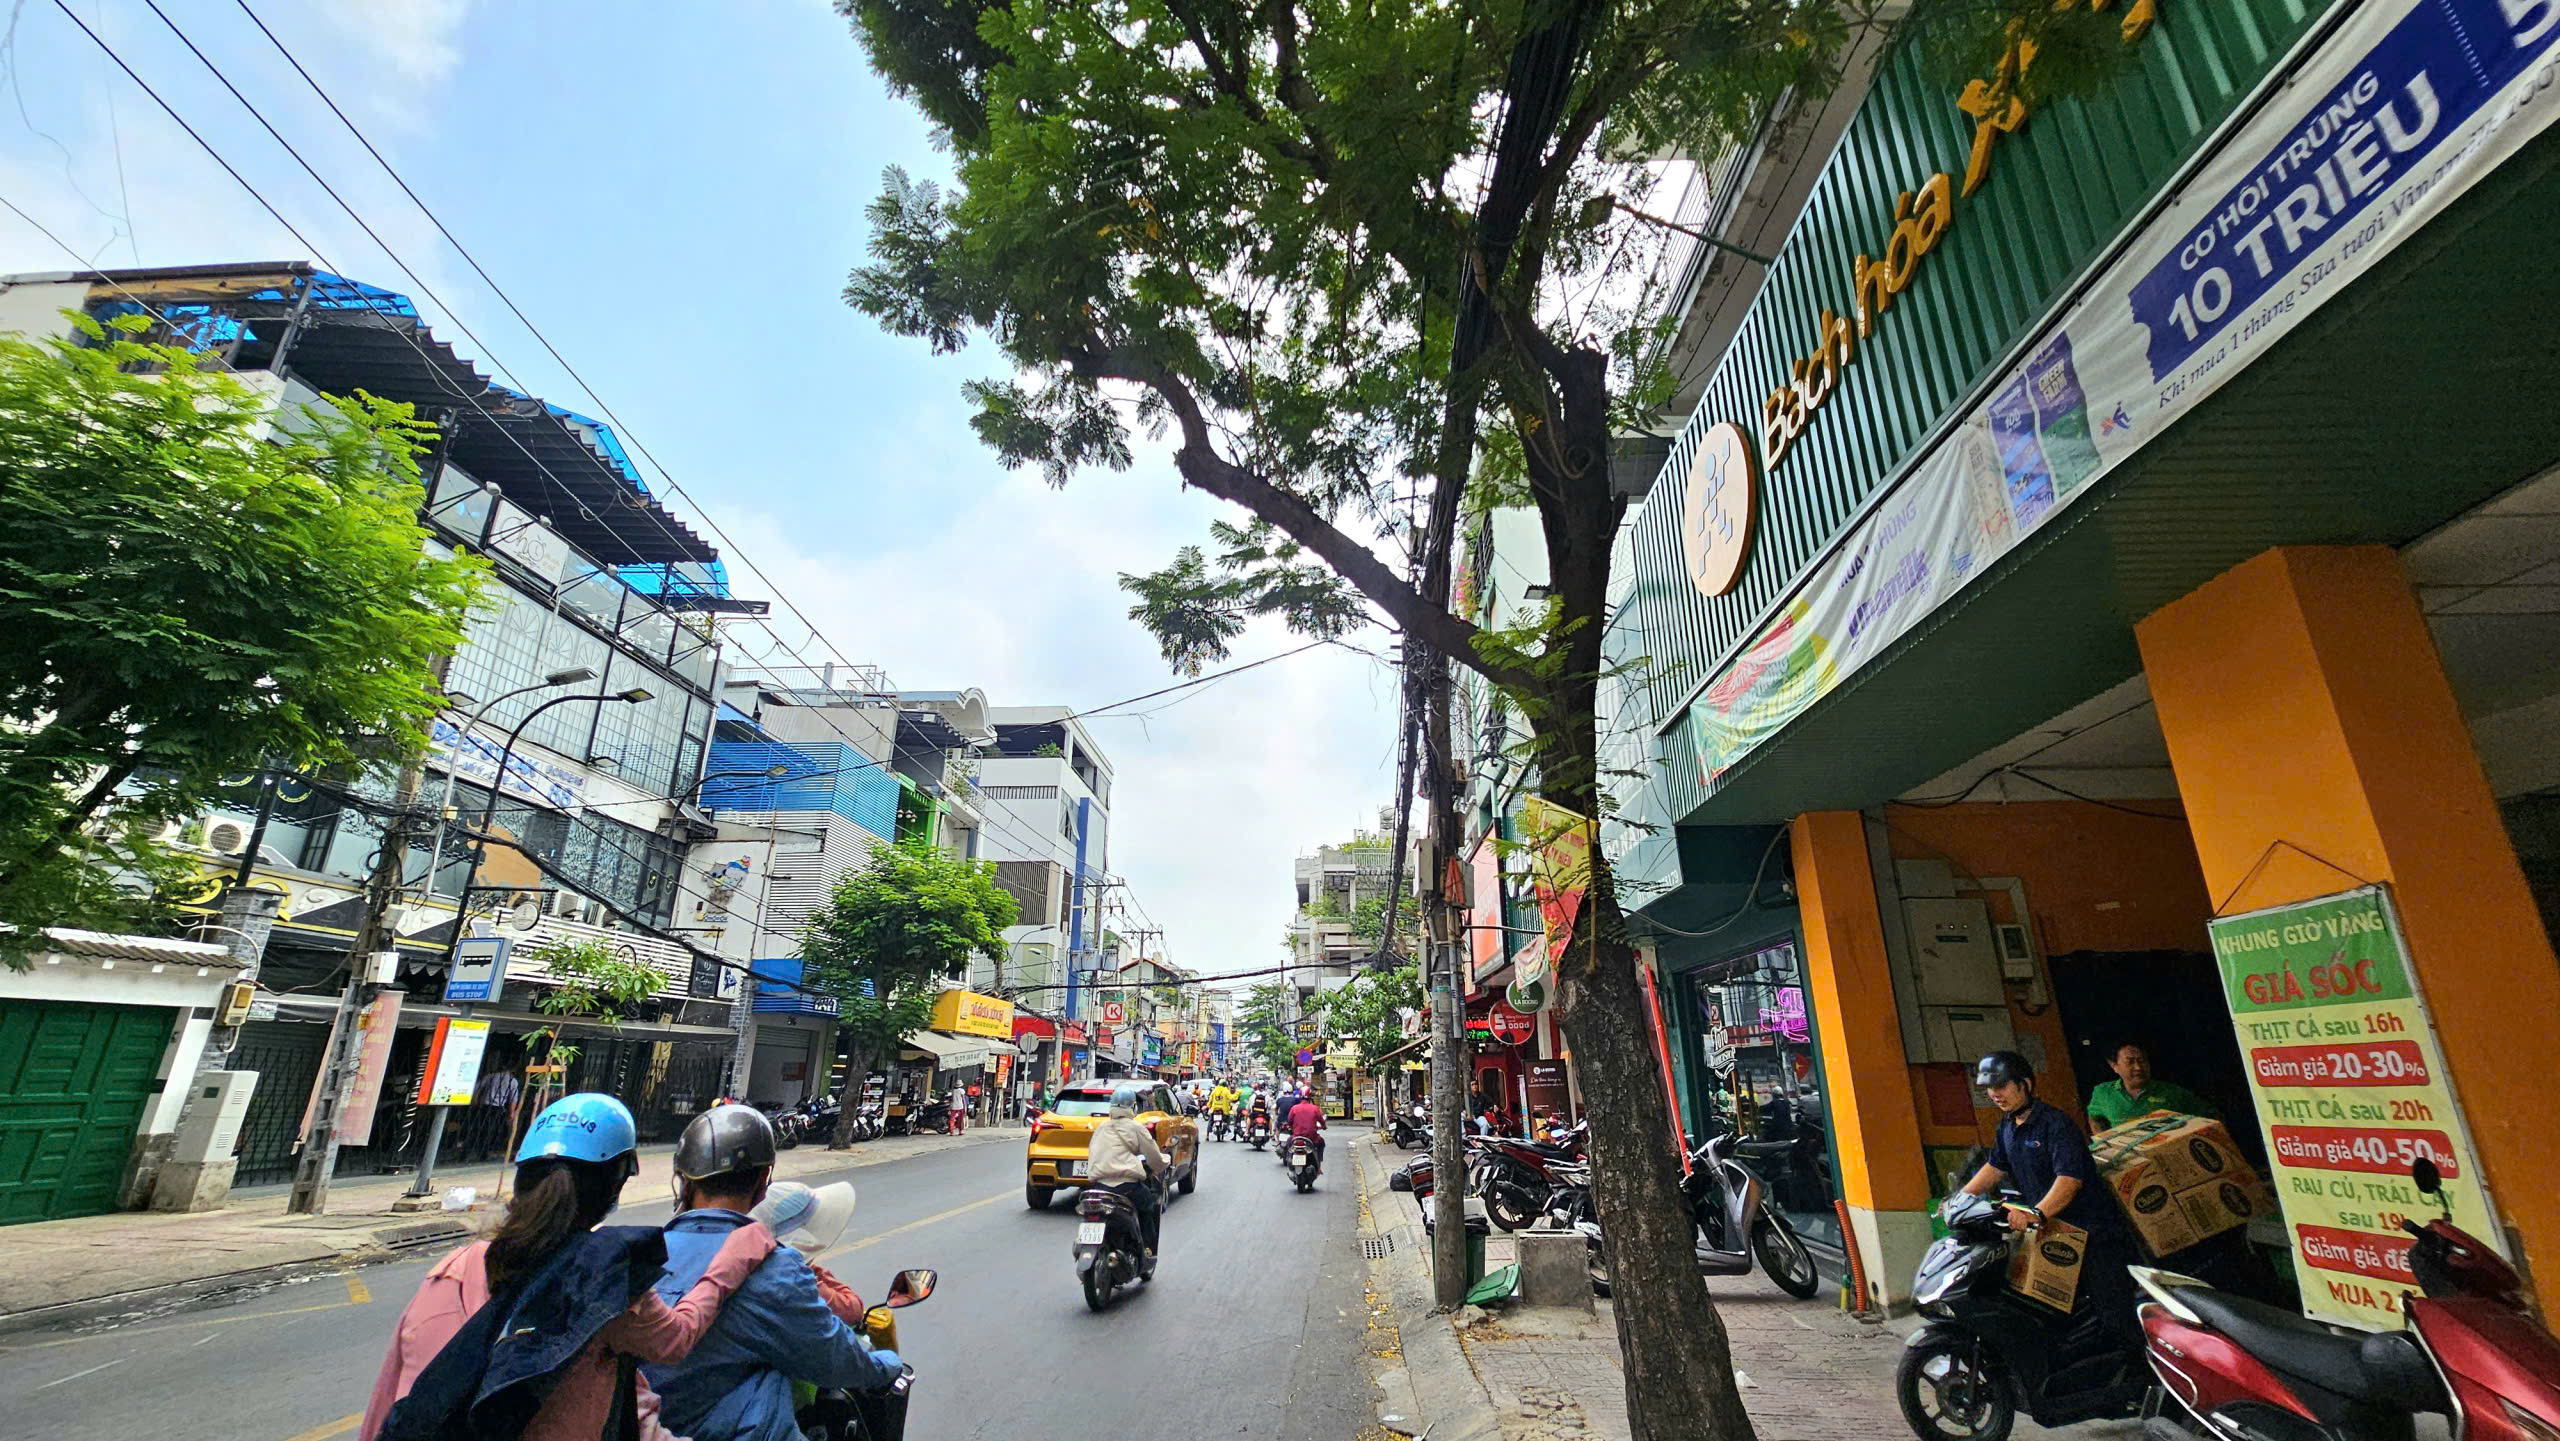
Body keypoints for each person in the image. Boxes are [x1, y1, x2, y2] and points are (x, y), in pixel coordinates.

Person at [360, 1093, 777, 1441]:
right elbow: (676, 1340)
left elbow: (389, 1401)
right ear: (614, 1187)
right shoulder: (604, 1273)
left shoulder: (450, 1270)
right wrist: (735, 1257)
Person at [642, 1105, 903, 1441]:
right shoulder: (774, 1267)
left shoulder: (640, 1258)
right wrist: (888, 1364)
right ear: (764, 1179)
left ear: (684, 1179)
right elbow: (833, 1358)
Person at [1956, 1051, 2139, 1343]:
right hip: (2055, 1233)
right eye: (1989, 1088)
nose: (1994, 1094)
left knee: (2114, 1316)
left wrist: (2036, 1213)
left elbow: (2069, 1181)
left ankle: (2136, 1366)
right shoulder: (2007, 1126)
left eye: (2001, 1086)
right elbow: (1995, 1167)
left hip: (2092, 1234)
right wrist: (1959, 1199)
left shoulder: (2056, 1125)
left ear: (2025, 1084)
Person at [1086, 1085, 1170, 1264]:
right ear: (1133, 1107)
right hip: (1126, 1187)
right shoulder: (1136, 1128)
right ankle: (1147, 1249)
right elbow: (1154, 1156)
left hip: (1099, 1188)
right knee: (1149, 1204)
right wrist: (1164, 1163)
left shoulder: (1101, 1128)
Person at [2086, 1041, 2219, 1132]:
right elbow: (2094, 1117)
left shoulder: (2172, 1092)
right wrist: (2102, 1141)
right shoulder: (2103, 1092)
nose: (2138, 1067)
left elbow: (2211, 1115)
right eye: (2130, 1062)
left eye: (2142, 1061)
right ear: (2114, 1066)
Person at [1283, 1089, 1327, 1168]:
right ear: (1310, 1097)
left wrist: (1292, 1126)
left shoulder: (1294, 1108)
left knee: (1289, 1142)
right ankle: (1318, 1165)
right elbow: (1321, 1121)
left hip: (1296, 1137)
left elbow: (1289, 1121)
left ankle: (1289, 1160)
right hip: (1312, 1138)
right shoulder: (1315, 1108)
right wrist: (1324, 1126)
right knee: (1321, 1143)